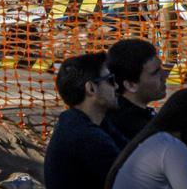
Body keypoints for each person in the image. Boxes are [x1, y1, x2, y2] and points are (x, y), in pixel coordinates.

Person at [43, 52, 126, 189]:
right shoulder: (84, 136)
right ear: (91, 88)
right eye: (110, 80)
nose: (116, 86)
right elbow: (134, 179)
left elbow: (130, 150)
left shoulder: (82, 122)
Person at [105, 38, 169, 139]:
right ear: (131, 85)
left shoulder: (116, 114)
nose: (165, 75)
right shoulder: (133, 127)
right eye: (155, 73)